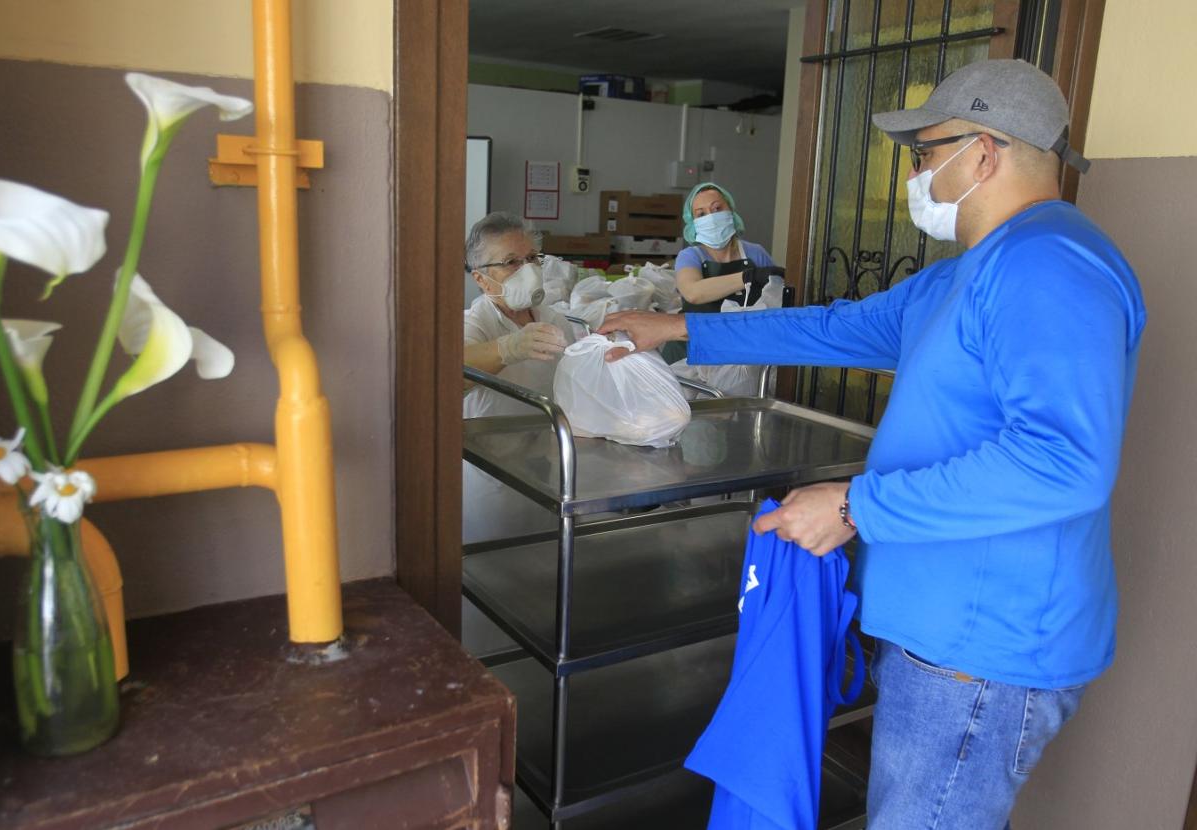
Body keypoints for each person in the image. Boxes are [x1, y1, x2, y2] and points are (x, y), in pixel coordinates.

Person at [599, 59, 1146, 829]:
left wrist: (855, 505)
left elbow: (1061, 462)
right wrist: (681, 327)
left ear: (983, 153)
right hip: (943, 629)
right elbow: (838, 328)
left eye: (924, 154)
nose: (916, 175)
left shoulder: (1047, 268)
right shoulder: (975, 270)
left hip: (981, 648)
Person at [462, 212, 580, 546]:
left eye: (531, 258)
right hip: (495, 475)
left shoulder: (554, 319)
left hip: (550, 468)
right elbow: (453, 377)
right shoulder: (476, 322)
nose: (527, 270)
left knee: (546, 557)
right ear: (482, 279)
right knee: (496, 561)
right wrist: (508, 348)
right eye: (511, 262)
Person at [664, 184, 784, 363]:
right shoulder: (690, 256)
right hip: (690, 352)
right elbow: (693, 292)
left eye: (717, 208)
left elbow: (780, 299)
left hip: (740, 351)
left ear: (731, 211)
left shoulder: (755, 253)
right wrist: (748, 277)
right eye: (701, 214)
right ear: (693, 223)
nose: (711, 218)